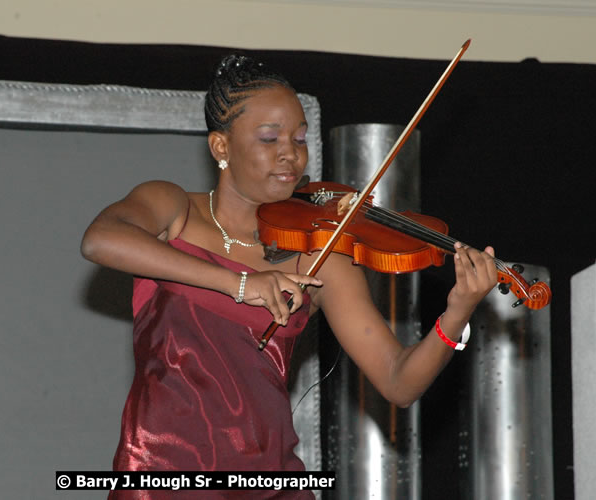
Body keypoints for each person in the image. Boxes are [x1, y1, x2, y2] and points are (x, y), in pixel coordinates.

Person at [80, 54, 498, 499]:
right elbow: (100, 239)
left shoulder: (317, 254)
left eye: (299, 139)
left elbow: (398, 380)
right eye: (269, 138)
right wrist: (240, 285)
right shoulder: (174, 208)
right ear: (221, 147)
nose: (290, 155)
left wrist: (457, 314)